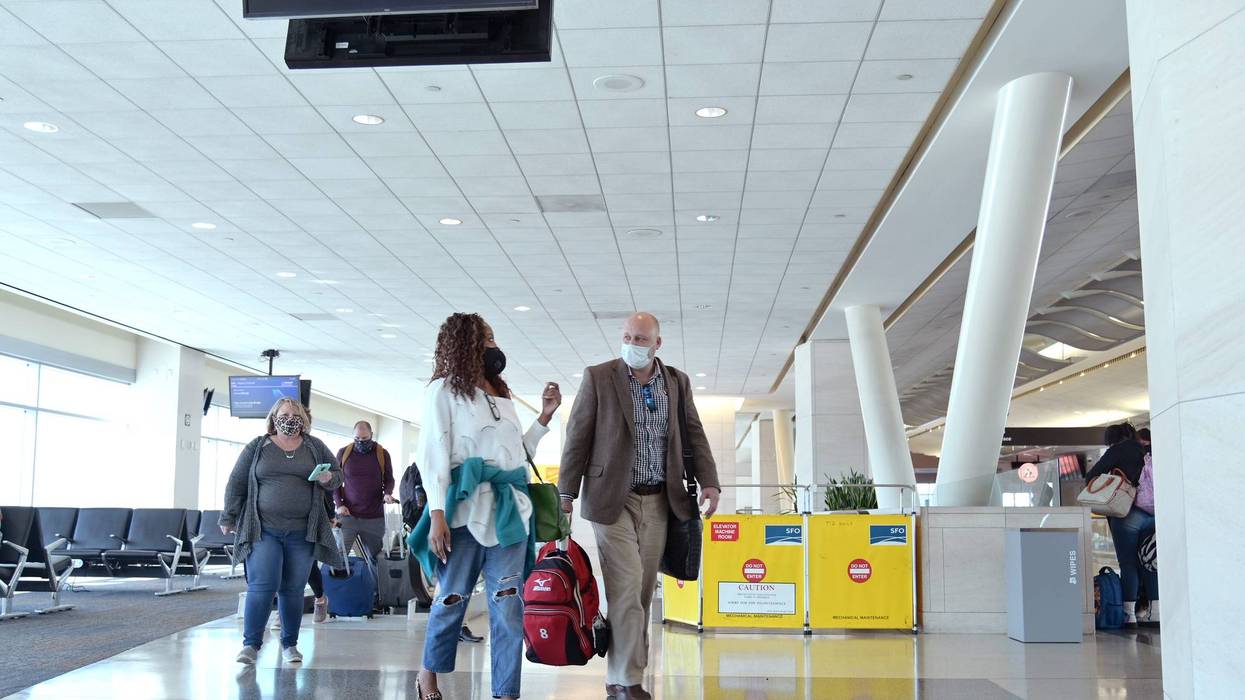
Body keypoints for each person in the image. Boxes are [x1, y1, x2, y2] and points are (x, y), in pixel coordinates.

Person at [559, 311, 722, 700]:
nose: (633, 344)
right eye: (628, 337)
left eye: (641, 339)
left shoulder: (677, 383)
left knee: (643, 592)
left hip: (662, 500)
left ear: (657, 344)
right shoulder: (599, 377)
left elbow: (694, 433)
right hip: (612, 499)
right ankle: (629, 682)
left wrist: (710, 481)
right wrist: (565, 493)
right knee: (627, 586)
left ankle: (620, 677)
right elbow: (577, 436)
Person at [411, 312, 561, 700]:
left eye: (494, 338)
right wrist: (438, 514)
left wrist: (544, 418)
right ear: (465, 344)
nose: (493, 346)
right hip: (462, 512)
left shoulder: (499, 392)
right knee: (452, 598)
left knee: (509, 606)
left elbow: (514, 454)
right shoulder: (442, 391)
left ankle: (506, 692)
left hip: (509, 515)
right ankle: (428, 673)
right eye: (486, 339)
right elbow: (433, 453)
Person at [220, 397, 343, 665]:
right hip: (264, 529)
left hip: (302, 531)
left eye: (296, 414)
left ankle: (290, 645)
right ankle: (251, 645)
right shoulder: (258, 446)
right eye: (285, 414)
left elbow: (337, 475)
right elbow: (236, 481)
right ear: (274, 418)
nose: (290, 419)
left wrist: (327, 478)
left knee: (293, 589)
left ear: (304, 419)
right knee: (262, 586)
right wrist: (228, 516)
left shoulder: (314, 446)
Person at [1085, 422, 1157, 626]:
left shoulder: (1117, 451)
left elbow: (1091, 477)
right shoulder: (1146, 450)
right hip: (1152, 512)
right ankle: (1155, 610)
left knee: (1128, 563)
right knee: (1149, 561)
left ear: (1112, 439)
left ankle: (1129, 613)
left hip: (1128, 513)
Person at [335, 420, 397, 559]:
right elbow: (335, 482)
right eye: (357, 438)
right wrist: (339, 504)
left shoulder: (382, 454)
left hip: (374, 517)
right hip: (348, 515)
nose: (361, 441)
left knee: (375, 560)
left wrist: (387, 493)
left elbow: (389, 479)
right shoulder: (343, 453)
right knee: (339, 557)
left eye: (365, 438)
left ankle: (374, 581)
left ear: (371, 435)